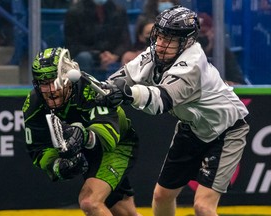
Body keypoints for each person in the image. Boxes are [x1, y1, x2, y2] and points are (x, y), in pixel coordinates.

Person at [95, 6, 250, 216]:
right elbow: (120, 79)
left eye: (170, 39)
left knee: (203, 207)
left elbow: (162, 101)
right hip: (192, 128)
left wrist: (128, 93)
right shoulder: (156, 51)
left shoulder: (193, 64)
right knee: (162, 196)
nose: (161, 44)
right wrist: (101, 90)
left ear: (186, 42)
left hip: (226, 130)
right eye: (159, 36)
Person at [22, 47, 140, 216]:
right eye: (42, 83)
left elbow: (109, 136)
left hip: (118, 144)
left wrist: (83, 135)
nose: (49, 90)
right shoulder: (34, 104)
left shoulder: (89, 88)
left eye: (53, 81)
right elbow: (38, 149)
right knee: (126, 213)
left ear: (66, 78)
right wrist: (57, 166)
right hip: (89, 152)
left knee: (90, 202)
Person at [64, 0, 132, 81]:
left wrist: (115, 55)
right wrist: (98, 55)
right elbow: (72, 45)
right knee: (84, 57)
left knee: (129, 56)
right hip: (88, 55)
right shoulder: (74, 12)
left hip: (113, 55)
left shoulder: (119, 11)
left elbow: (125, 41)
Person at [197, 12, 247, 85]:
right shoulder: (187, 54)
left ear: (212, 32)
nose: (200, 36)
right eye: (197, 34)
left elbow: (239, 84)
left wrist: (223, 84)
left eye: (203, 32)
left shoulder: (224, 54)